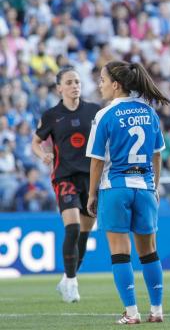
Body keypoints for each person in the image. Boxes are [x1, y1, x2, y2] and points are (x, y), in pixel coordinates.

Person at [86, 61, 170, 324]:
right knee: (150, 252)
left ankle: (131, 313)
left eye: (102, 80)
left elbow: (97, 160)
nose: (99, 85)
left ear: (116, 84)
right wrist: (154, 185)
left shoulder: (105, 115)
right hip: (145, 188)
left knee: (120, 253)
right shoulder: (149, 112)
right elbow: (157, 155)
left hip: (116, 188)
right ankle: (156, 310)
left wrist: (91, 194)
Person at [32, 66, 101, 303]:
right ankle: (72, 283)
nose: (75, 86)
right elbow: (36, 141)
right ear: (59, 87)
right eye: (70, 82)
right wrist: (42, 155)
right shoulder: (52, 115)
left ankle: (68, 277)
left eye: (77, 82)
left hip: (91, 178)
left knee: (84, 234)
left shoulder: (94, 110)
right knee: (71, 228)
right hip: (64, 177)